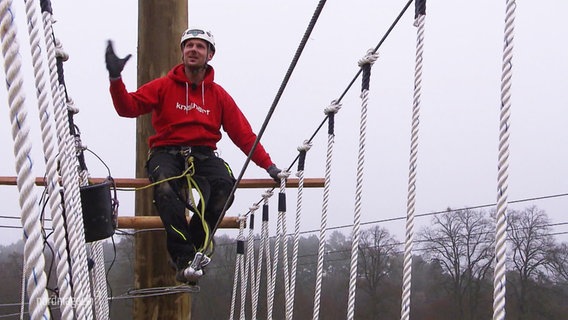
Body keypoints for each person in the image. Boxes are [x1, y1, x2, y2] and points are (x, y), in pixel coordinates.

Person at [105, 27, 282, 284]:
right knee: (165, 190)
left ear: (210, 54)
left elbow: (243, 134)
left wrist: (270, 166)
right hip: (166, 152)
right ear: (182, 52)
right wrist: (115, 77)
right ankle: (183, 257)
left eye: (200, 46)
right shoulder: (164, 86)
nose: (193, 50)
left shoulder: (218, 95)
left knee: (225, 187)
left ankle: (193, 246)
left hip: (204, 155)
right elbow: (127, 107)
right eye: (189, 45)